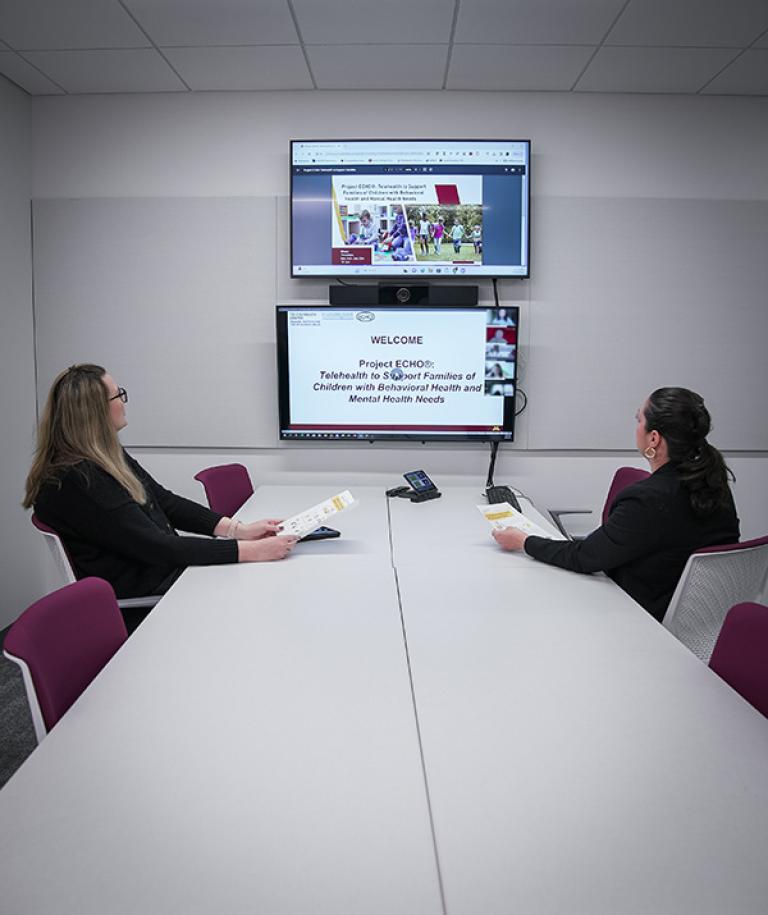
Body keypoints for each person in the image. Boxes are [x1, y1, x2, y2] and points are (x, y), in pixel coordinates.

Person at [24, 364, 297, 604]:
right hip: (149, 595)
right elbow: (158, 548)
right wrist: (250, 551)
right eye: (118, 395)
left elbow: (164, 501)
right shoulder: (79, 479)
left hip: (165, 572)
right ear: (95, 412)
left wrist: (239, 530)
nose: (124, 401)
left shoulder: (103, 456)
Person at [492, 387, 740, 621]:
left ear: (653, 438)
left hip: (638, 617)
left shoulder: (647, 500)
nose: (636, 428)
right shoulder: (713, 485)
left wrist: (524, 541)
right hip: (700, 620)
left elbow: (585, 559)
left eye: (639, 420)